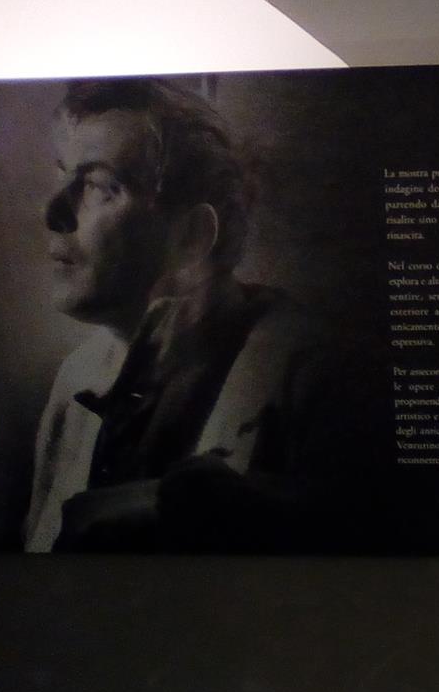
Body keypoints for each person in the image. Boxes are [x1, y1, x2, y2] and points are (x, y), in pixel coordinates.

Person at [24, 78, 345, 552]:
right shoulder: (78, 376)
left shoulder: (314, 376)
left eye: (98, 186)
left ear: (192, 237)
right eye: (62, 176)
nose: (52, 213)